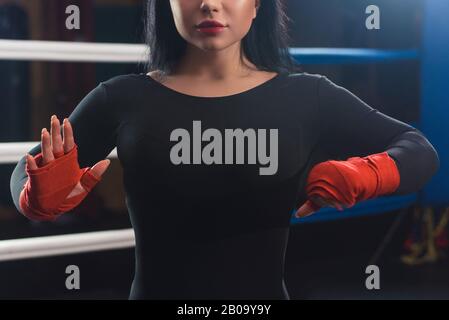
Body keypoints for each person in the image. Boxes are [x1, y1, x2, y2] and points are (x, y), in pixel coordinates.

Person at [10, 0, 439, 299]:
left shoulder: (307, 97)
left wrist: (365, 174)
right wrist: (37, 196)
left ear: (257, 5)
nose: (210, 4)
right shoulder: (120, 99)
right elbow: (22, 174)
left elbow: (419, 150)